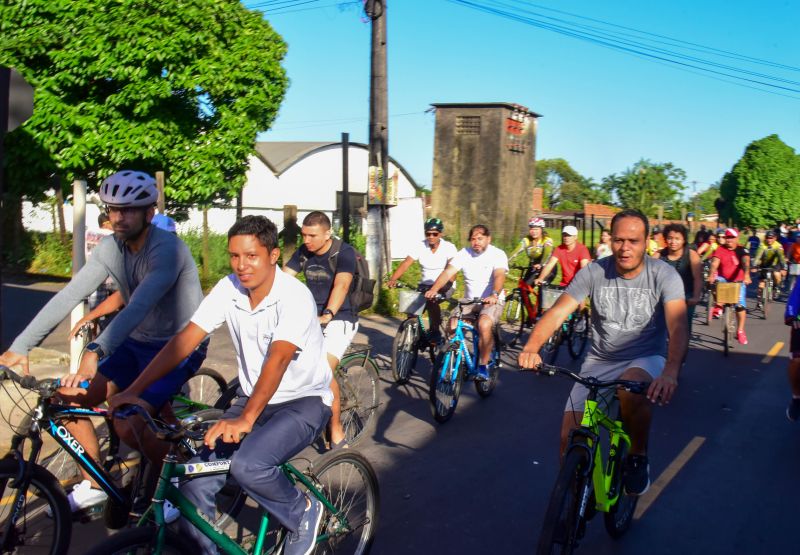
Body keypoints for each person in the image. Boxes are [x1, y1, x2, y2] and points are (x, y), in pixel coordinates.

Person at [109, 215, 333, 555]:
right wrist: (135, 390)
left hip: (304, 402)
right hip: (252, 398)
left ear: (273, 255)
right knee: (194, 481)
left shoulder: (294, 296)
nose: (241, 265)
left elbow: (278, 359)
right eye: (234, 256)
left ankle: (303, 511)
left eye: (251, 256)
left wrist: (245, 419)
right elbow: (185, 340)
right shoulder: (229, 288)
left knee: (249, 466)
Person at [0, 170, 205, 512]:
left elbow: (138, 305)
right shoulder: (111, 248)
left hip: (178, 346)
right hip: (136, 344)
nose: (119, 217)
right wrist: (20, 347)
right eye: (112, 209)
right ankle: (94, 483)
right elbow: (69, 295)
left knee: (128, 425)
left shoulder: (168, 249)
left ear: (149, 213)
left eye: (128, 210)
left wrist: (95, 350)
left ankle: (179, 484)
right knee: (64, 402)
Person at [519, 208, 688, 496]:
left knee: (630, 389)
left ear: (647, 242)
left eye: (633, 241)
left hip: (645, 356)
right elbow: (559, 311)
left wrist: (671, 371)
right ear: (610, 240)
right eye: (619, 240)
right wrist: (532, 347)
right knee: (567, 438)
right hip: (599, 360)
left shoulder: (664, 275)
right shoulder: (595, 271)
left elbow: (678, 324)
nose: (625, 248)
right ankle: (573, 503)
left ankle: (637, 455)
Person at [284, 211, 357, 450]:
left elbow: (342, 284)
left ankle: (336, 431)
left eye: (312, 235)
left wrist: (329, 314)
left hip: (340, 317)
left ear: (327, 234)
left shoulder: (342, 252)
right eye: (304, 235)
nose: (306, 240)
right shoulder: (304, 252)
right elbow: (284, 280)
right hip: (310, 316)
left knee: (323, 370)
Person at [424, 224, 509, 381]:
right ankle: (458, 360)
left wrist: (494, 294)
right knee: (452, 327)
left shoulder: (497, 254)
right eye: (473, 239)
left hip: (491, 300)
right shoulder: (464, 253)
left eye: (480, 239)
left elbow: (499, 275)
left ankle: (483, 366)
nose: (476, 242)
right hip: (469, 301)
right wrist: (434, 289)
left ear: (488, 239)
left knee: (484, 325)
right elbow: (448, 272)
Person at [386, 217, 457, 341]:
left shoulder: (449, 248)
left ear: (440, 234)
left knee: (432, 300)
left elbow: (452, 273)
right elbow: (406, 263)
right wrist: (393, 279)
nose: (431, 237)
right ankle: (413, 338)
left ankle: (435, 331)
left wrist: (440, 289)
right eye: (428, 234)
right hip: (425, 285)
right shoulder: (420, 246)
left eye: (435, 234)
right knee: (411, 308)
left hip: (446, 285)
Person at [653, 223, 703, 332]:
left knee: (683, 330)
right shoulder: (658, 255)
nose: (673, 242)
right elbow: (649, 277)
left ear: (684, 240)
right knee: (659, 330)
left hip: (686, 298)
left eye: (677, 239)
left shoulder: (691, 255)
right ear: (666, 239)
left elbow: (698, 278)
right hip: (662, 298)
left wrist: (695, 297)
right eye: (670, 238)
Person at [708, 228, 751, 345]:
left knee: (740, 306)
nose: (729, 240)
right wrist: (711, 275)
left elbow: (746, 262)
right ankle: (718, 305)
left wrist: (746, 275)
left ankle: (740, 330)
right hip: (724, 279)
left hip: (738, 281)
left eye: (732, 237)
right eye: (727, 237)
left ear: (737, 238)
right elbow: (714, 263)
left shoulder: (742, 250)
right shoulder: (720, 249)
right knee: (715, 282)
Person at [508, 217, 554, 284]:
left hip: (548, 267)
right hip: (534, 266)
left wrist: (541, 264)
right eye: (531, 229)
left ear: (541, 230)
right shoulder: (527, 240)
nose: (533, 232)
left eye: (536, 229)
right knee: (525, 288)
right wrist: (506, 260)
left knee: (542, 290)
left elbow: (547, 254)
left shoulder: (547, 240)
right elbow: (516, 251)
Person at [752, 230, 786, 307]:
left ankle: (776, 287)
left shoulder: (778, 246)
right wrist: (754, 266)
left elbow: (782, 258)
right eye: (767, 238)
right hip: (764, 264)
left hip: (775, 263)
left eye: (771, 238)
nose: (769, 240)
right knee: (761, 285)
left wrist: (784, 268)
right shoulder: (762, 245)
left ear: (775, 238)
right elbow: (758, 257)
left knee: (776, 274)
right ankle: (759, 300)